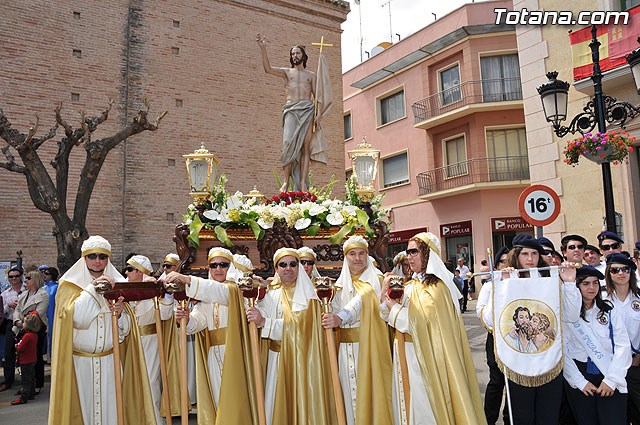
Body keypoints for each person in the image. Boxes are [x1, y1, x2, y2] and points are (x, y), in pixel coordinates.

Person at [48, 235, 155, 425]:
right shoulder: (69, 286)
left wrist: (121, 315)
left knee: (112, 414)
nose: (97, 261)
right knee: (84, 413)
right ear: (84, 258)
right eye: (92, 256)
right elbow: (78, 319)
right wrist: (93, 289)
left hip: (110, 362)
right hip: (80, 363)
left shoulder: (118, 284)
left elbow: (126, 332)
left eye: (102, 257)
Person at [381, 232, 486, 425]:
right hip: (407, 353)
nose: (409, 256)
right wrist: (385, 293)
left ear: (428, 254)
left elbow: (421, 323)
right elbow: (387, 315)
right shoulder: (411, 285)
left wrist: (394, 308)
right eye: (407, 252)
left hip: (426, 358)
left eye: (414, 251)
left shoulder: (438, 289)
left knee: (425, 407)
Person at [492, 233, 581, 425]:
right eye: (525, 254)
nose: (530, 259)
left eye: (534, 253)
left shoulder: (551, 278)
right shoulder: (503, 279)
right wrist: (504, 286)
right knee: (522, 418)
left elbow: (572, 315)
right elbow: (490, 321)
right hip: (518, 363)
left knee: (548, 417)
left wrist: (570, 283)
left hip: (549, 360)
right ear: (516, 256)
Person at [166, 247, 258, 424]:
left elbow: (221, 293)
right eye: (213, 265)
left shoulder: (236, 289)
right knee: (217, 399)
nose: (218, 269)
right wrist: (186, 319)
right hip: (213, 355)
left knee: (236, 400)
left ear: (230, 267)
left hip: (236, 354)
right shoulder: (206, 294)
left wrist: (187, 279)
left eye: (223, 265)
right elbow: (198, 321)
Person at [248, 247, 336, 425]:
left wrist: (265, 322)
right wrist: (250, 302)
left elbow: (300, 328)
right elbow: (258, 314)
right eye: (283, 265)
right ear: (277, 269)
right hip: (277, 360)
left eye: (293, 264)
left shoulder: (310, 296)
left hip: (302, 362)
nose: (288, 268)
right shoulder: (271, 294)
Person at [321, 236, 393, 425]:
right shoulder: (339, 283)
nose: (358, 258)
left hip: (369, 348)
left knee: (369, 392)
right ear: (346, 258)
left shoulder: (376, 279)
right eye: (352, 254)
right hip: (345, 349)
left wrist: (340, 318)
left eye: (362, 253)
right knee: (347, 393)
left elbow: (363, 299)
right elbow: (330, 306)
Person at [256, 33, 324, 192]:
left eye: (297, 53)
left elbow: (317, 96)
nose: (295, 56)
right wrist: (263, 48)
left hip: (307, 110)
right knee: (287, 144)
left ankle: (302, 183)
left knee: (305, 148)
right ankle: (286, 181)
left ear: (304, 56)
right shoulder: (287, 72)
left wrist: (318, 114)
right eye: (293, 54)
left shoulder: (311, 75)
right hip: (291, 110)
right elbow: (268, 69)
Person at [563, 264, 631, 425]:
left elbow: (623, 345)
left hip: (609, 371)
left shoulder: (608, 310)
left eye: (595, 283)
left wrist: (612, 380)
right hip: (581, 375)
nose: (592, 288)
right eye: (586, 283)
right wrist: (579, 382)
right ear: (576, 285)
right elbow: (562, 351)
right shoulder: (566, 315)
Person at [124, 254, 177, 424]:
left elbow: (166, 313)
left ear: (141, 272)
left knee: (151, 382)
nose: (126, 272)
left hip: (150, 341)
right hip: (127, 342)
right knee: (129, 384)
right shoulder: (123, 288)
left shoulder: (154, 289)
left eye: (130, 269)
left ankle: (154, 421)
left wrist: (167, 294)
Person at [602, 252, 640, 423]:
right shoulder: (603, 300)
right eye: (615, 270)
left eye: (625, 269)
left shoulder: (639, 297)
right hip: (613, 365)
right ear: (609, 274)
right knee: (620, 413)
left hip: (637, 364)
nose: (621, 273)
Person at [477, 246, 510, 425]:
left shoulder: (518, 283)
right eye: (502, 262)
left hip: (514, 340)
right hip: (496, 339)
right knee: (496, 382)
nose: (506, 265)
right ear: (496, 266)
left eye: (508, 261)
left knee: (513, 384)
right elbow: (484, 316)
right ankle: (488, 420)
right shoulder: (489, 286)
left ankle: (508, 419)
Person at [12, 270, 48, 396]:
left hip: (36, 330)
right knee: (24, 359)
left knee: (36, 358)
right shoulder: (24, 294)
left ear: (35, 279)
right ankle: (26, 385)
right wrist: (17, 321)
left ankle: (37, 384)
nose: (26, 280)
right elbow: (17, 309)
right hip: (22, 328)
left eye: (28, 278)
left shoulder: (43, 295)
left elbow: (39, 312)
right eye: (26, 278)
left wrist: (24, 321)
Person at [11, 312, 42, 405]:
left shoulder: (27, 336)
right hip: (33, 359)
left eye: (24, 322)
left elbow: (21, 348)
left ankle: (24, 396)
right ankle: (31, 393)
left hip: (26, 360)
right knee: (31, 377)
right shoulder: (34, 335)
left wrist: (17, 345)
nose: (22, 324)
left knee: (26, 379)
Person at [0, 266, 23, 392]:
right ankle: (8, 380)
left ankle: (28, 380)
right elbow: (1, 312)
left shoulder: (26, 290)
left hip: (24, 323)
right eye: (11, 276)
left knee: (25, 351)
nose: (13, 278)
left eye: (16, 276)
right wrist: (8, 306)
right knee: (8, 353)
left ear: (20, 277)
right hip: (10, 324)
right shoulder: (5, 294)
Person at [42, 266, 58, 361]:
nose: (44, 275)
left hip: (52, 314)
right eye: (43, 273)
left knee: (52, 334)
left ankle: (52, 357)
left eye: (46, 273)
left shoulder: (56, 287)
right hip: (44, 315)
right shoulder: (44, 287)